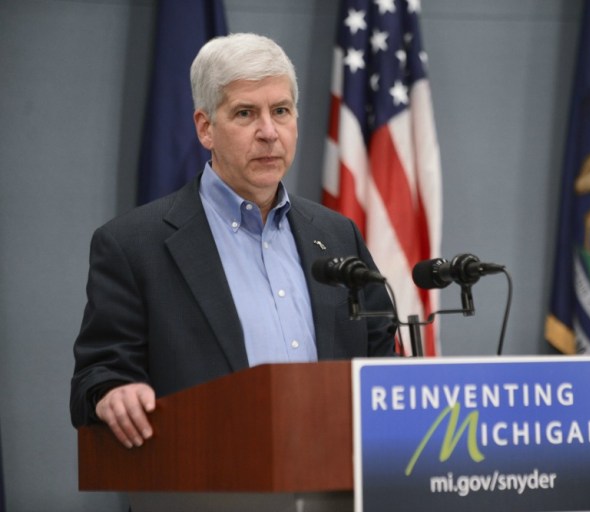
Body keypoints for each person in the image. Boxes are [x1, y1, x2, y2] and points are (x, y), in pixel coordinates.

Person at [70, 33, 395, 448]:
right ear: (206, 128)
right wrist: (113, 394)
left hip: (333, 480)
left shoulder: (336, 235)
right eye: (245, 113)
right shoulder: (133, 245)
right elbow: (96, 375)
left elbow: (382, 359)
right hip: (204, 481)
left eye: (281, 111)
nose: (268, 132)